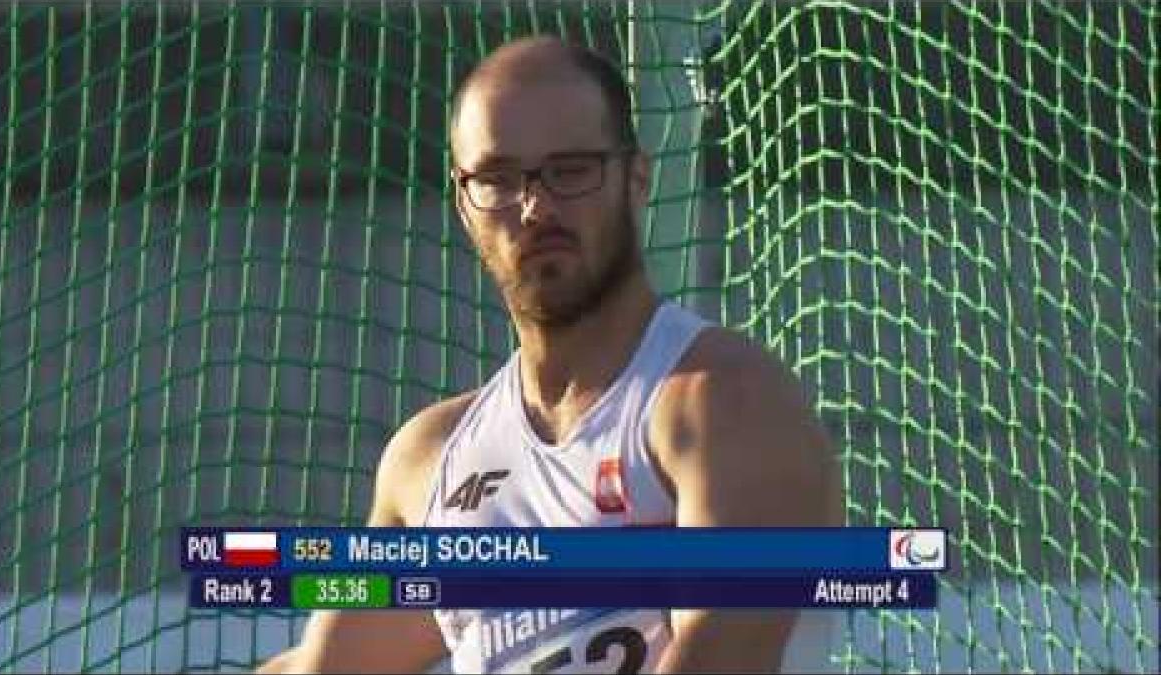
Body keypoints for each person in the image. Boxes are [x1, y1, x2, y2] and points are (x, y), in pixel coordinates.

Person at [257, 35, 839, 674]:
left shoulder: (722, 402)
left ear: (636, 178)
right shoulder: (430, 460)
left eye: (570, 171)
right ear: (464, 200)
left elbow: (723, 658)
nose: (535, 207)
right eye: (499, 179)